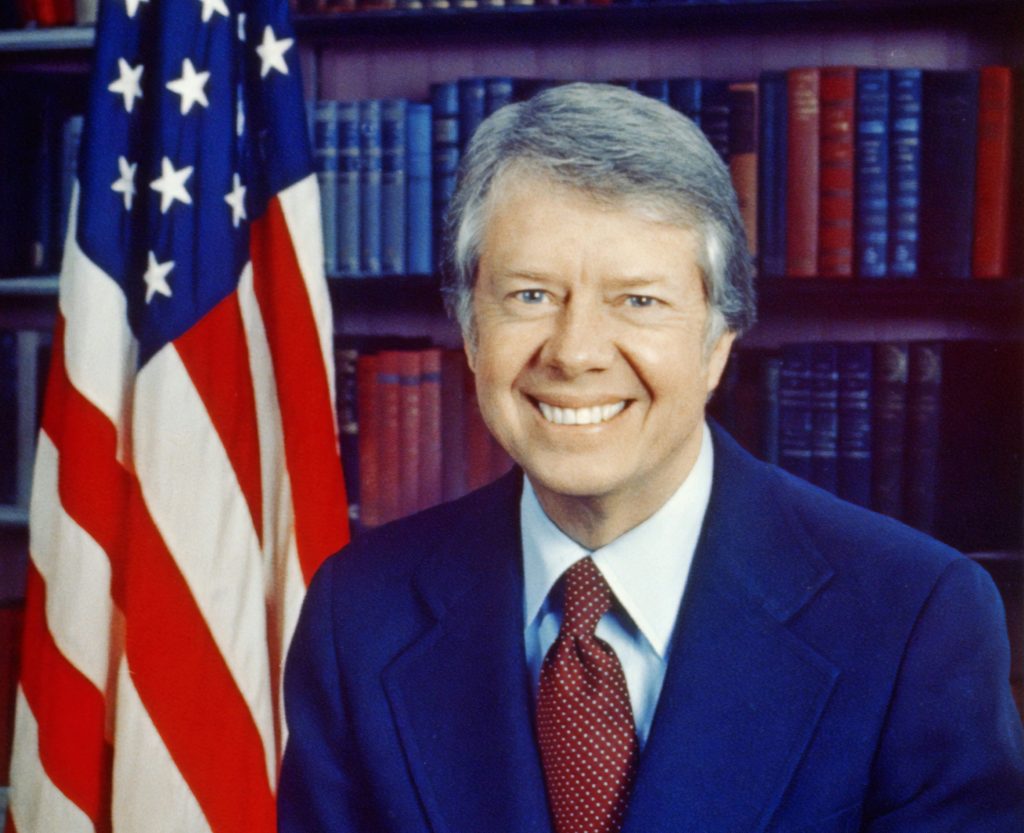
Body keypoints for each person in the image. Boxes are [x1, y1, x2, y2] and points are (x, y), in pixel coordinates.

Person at [278, 83, 1024, 833]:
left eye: (638, 300)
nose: (574, 353)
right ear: (472, 335)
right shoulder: (360, 616)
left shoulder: (915, 619)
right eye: (531, 294)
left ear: (718, 342)